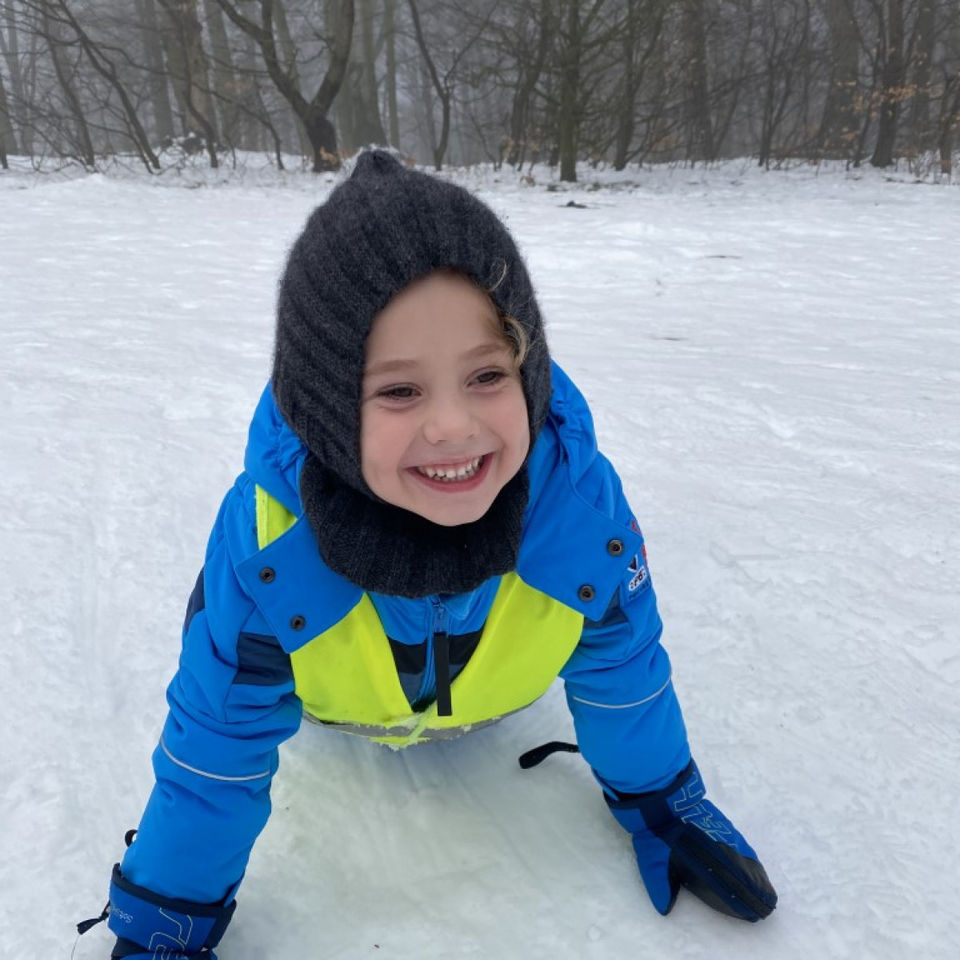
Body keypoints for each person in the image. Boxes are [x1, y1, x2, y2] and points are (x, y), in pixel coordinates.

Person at [83, 150, 776, 959]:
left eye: (487, 374)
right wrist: (167, 917)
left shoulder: (578, 510)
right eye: (400, 391)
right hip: (332, 714)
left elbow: (624, 666)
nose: (453, 426)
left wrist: (663, 799)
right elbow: (217, 743)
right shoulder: (272, 544)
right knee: (232, 632)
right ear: (329, 409)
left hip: (489, 705)